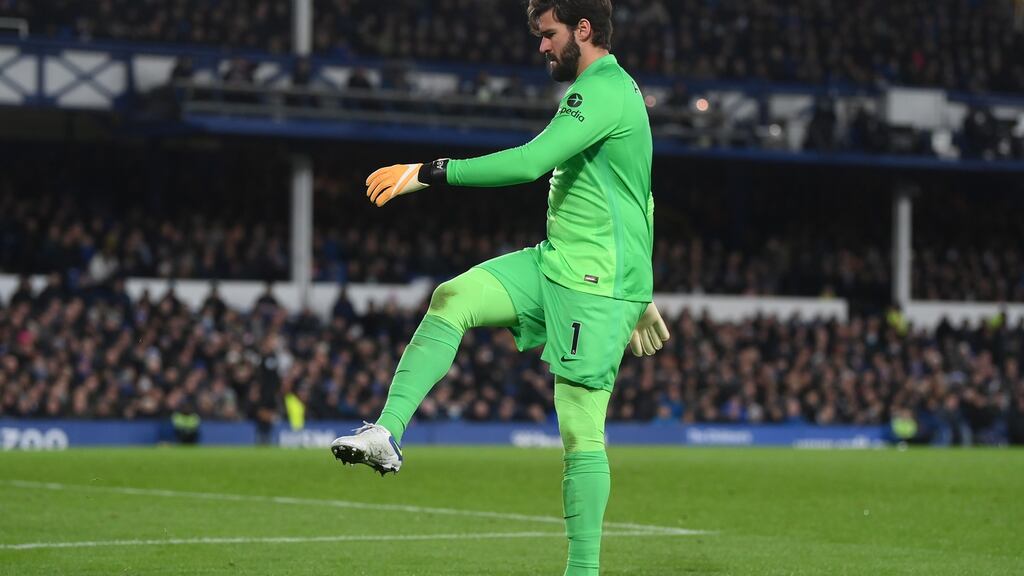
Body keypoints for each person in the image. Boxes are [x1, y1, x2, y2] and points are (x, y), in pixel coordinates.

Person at [329, 2, 670, 574]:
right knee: (451, 298)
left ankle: (582, 571)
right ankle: (386, 432)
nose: (541, 47)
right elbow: (640, 196)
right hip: (557, 263)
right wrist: (642, 287)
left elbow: (530, 162)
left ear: (583, 30)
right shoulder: (604, 93)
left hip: (594, 286)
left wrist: (430, 171)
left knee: (580, 427)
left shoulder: (605, 90)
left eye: (549, 35)